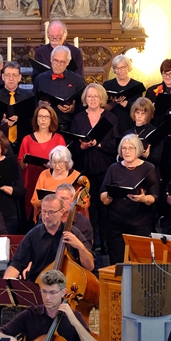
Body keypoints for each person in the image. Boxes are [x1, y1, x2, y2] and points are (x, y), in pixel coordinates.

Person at [69, 84, 120, 259]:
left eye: (95, 96)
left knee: (103, 206)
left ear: (101, 99)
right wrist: (82, 146)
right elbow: (73, 145)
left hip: (105, 168)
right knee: (86, 206)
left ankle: (104, 241)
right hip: (84, 169)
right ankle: (88, 241)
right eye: (89, 96)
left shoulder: (110, 118)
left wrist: (99, 144)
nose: (92, 99)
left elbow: (116, 144)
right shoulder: (78, 118)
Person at [100, 134, 160, 265]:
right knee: (117, 263)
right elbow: (103, 198)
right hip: (116, 225)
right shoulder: (114, 168)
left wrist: (143, 198)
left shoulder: (149, 168)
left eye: (130, 148)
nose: (127, 151)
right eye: (124, 148)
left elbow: (154, 197)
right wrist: (111, 194)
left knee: (139, 264)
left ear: (138, 149)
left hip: (140, 224)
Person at [5, 194, 93, 277]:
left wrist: (80, 247)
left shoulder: (73, 233)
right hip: (39, 283)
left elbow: (90, 267)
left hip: (68, 283)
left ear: (61, 212)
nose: (46, 216)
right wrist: (6, 283)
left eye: (51, 212)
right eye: (44, 211)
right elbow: (16, 264)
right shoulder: (33, 235)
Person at [19, 104, 67, 222]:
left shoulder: (59, 139)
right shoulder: (27, 139)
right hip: (32, 181)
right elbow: (21, 165)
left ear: (51, 119)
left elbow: (64, 163)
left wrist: (52, 165)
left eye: (46, 117)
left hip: (52, 181)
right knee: (32, 216)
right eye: (40, 116)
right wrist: (25, 160)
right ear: (36, 119)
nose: (43, 120)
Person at [32, 45, 86, 130]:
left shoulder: (77, 80)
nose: (58, 64)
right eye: (55, 60)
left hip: (68, 128)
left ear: (68, 62)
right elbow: (33, 102)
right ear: (51, 59)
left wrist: (73, 109)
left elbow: (85, 106)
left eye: (62, 62)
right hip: (45, 129)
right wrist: (39, 105)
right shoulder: (40, 78)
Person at [31, 145, 84, 223]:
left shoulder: (77, 176)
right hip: (48, 217)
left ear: (67, 162)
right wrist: (50, 201)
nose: (57, 166)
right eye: (54, 162)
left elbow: (83, 203)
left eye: (60, 163)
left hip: (70, 218)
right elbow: (35, 201)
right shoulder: (44, 174)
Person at [0, 61, 34, 149]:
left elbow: (33, 121)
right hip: (0, 143)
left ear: (19, 77)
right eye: (7, 75)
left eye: (14, 75)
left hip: (24, 142)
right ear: (2, 77)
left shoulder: (29, 96)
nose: (11, 78)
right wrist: (3, 124)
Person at [103, 54, 144, 134]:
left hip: (129, 124)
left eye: (122, 67)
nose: (120, 71)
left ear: (128, 67)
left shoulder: (136, 86)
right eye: (117, 68)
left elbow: (139, 108)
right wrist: (113, 102)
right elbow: (103, 107)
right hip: (111, 125)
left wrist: (124, 103)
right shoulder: (108, 85)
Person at [125, 97, 163, 169]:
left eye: (143, 114)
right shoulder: (128, 133)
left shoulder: (156, 132)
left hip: (147, 170)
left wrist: (147, 156)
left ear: (149, 115)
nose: (139, 116)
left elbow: (158, 160)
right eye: (137, 112)